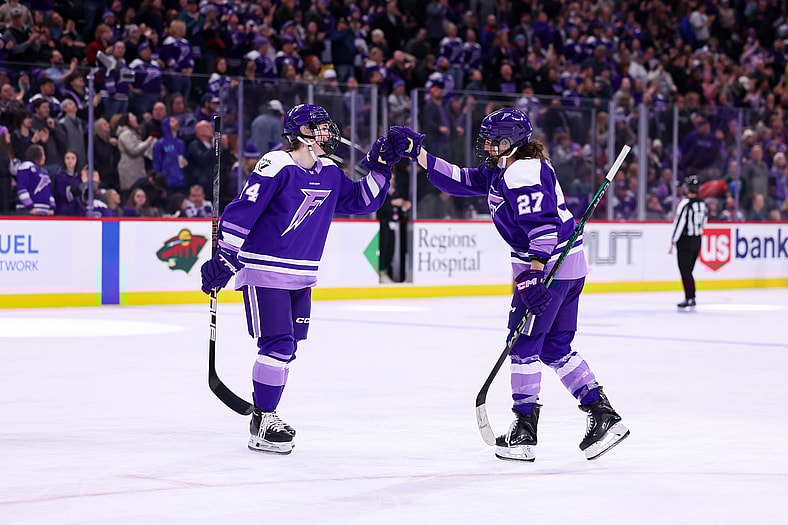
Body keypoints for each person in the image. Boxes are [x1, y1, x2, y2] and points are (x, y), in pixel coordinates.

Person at [387, 108, 629, 462]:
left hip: (547, 268)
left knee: (523, 347)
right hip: (567, 266)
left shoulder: (522, 171)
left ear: (511, 141)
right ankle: (603, 415)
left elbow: (543, 226)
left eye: (493, 141)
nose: (486, 146)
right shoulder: (506, 167)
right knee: (555, 347)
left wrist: (533, 273)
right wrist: (418, 154)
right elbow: (461, 180)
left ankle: (524, 430)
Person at [199, 104, 399, 455]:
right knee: (277, 345)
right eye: (320, 127)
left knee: (288, 349)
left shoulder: (330, 172)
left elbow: (363, 200)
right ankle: (263, 420)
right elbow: (243, 210)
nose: (328, 133)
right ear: (301, 133)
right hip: (265, 270)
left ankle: (266, 413)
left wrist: (382, 166)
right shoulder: (276, 164)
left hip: (301, 276)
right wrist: (225, 257)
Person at [669, 176, 709, 311]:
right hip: (697, 239)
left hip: (685, 240)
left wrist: (673, 241)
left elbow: (679, 223)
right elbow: (704, 223)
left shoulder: (685, 204)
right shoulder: (703, 204)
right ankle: (691, 296)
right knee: (689, 271)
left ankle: (690, 297)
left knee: (685, 271)